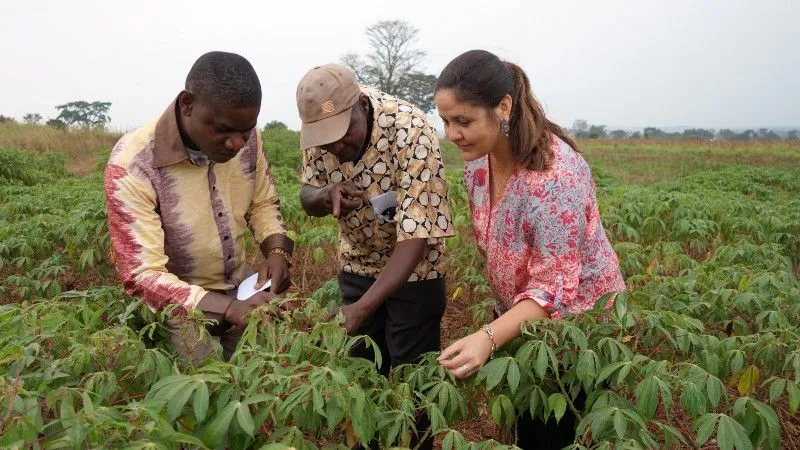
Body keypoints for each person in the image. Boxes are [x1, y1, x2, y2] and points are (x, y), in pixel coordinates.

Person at [434, 50, 626, 449]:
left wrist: (487, 336)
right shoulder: (478, 165)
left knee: (554, 434)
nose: (452, 134)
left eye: (463, 121)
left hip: (579, 331)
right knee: (529, 428)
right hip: (523, 324)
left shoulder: (554, 176)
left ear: (502, 107)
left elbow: (554, 289)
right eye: (446, 122)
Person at [296, 64, 455, 449]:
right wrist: (326, 194)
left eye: (342, 134)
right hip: (358, 264)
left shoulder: (411, 131)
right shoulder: (322, 137)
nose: (336, 147)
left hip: (416, 272)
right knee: (361, 381)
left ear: (360, 106)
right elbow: (307, 194)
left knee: (411, 388)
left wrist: (362, 308)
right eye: (325, 139)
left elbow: (415, 237)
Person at [104, 51, 293, 363]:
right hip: (177, 302)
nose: (237, 144)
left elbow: (263, 202)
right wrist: (228, 309)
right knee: (204, 393)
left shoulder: (247, 139)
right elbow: (143, 274)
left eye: (245, 131)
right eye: (222, 130)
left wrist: (277, 251)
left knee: (259, 383)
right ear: (188, 105)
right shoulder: (133, 164)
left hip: (241, 285)